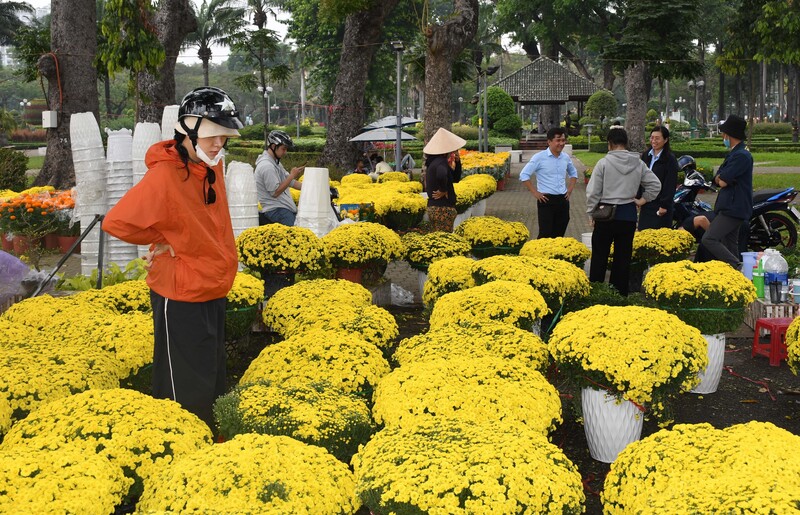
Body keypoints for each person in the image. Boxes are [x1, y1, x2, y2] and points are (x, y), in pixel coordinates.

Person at [102, 86, 242, 429]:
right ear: (187, 130)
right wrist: (162, 238)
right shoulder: (165, 175)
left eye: (224, 136)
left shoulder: (211, 167)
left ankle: (210, 442)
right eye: (211, 135)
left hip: (212, 286)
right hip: (181, 294)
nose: (218, 144)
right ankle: (181, 450)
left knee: (211, 377)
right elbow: (116, 222)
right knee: (184, 389)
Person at [586, 127, 661, 295]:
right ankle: (619, 295)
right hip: (628, 214)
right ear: (626, 143)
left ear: (610, 144)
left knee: (599, 256)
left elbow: (593, 192)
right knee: (623, 258)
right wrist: (642, 200)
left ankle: (597, 292)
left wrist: (591, 212)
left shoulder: (603, 163)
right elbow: (655, 185)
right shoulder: (638, 163)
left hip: (605, 215)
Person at [701, 114, 753, 268]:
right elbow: (718, 178)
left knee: (709, 239)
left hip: (733, 208)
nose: (723, 137)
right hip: (730, 206)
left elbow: (722, 181)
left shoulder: (742, 156)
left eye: (724, 134)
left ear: (729, 135)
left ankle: (736, 266)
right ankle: (736, 276)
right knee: (730, 244)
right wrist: (720, 178)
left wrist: (720, 178)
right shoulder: (735, 153)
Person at [519, 127, 579, 238]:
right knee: (545, 233)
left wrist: (570, 190)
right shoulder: (539, 157)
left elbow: (573, 173)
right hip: (546, 200)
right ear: (549, 141)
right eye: (558, 140)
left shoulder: (565, 157)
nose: (561, 143)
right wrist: (535, 193)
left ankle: (556, 254)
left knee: (560, 233)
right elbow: (524, 175)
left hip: (563, 200)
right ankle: (539, 254)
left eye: (563, 140)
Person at [255, 130, 304, 226]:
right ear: (273, 146)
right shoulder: (266, 166)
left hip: (283, 209)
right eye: (283, 149)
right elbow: (275, 192)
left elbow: (291, 182)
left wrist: (312, 188)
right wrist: (292, 175)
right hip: (277, 210)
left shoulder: (275, 163)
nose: (285, 152)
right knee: (296, 235)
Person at [638, 126, 679, 230]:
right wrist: (638, 198)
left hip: (660, 205)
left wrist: (664, 205)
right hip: (646, 202)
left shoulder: (670, 159)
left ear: (665, 140)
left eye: (657, 138)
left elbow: (670, 184)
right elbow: (639, 178)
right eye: (652, 138)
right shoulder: (646, 156)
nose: (653, 141)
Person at [424, 127, 465, 232]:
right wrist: (443, 190)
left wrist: (458, 162)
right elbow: (441, 174)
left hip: (437, 207)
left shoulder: (436, 162)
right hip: (442, 209)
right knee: (444, 239)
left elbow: (455, 179)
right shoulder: (441, 163)